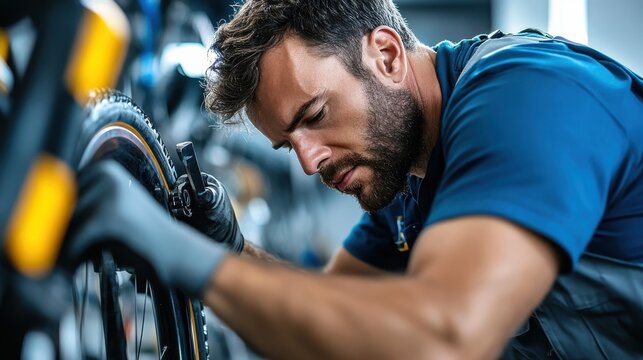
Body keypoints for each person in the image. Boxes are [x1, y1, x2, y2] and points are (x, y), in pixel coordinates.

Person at [66, 0, 643, 358]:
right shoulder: (406, 172)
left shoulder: (524, 99)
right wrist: (231, 251)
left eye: (314, 117)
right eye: (287, 145)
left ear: (387, 56)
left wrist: (184, 260)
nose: (309, 163)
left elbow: (443, 339)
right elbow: (334, 317)